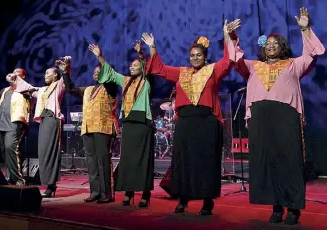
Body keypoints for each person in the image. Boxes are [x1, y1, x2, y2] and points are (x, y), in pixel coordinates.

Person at [232, 8, 324, 225]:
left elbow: (312, 54)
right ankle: (276, 206)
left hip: (286, 116)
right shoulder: (254, 67)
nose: (271, 46)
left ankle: (293, 208)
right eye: (268, 44)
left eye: (276, 43)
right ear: (263, 49)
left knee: (289, 162)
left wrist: (305, 28)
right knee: (268, 162)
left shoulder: (294, 64)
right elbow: (236, 59)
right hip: (261, 118)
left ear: (282, 47)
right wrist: (232, 37)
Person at [142, 19, 240, 215]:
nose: (195, 58)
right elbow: (159, 68)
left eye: (199, 55)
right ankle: (183, 199)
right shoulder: (182, 73)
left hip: (206, 121)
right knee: (183, 161)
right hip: (185, 122)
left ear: (205, 56)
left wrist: (228, 36)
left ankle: (207, 201)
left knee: (206, 162)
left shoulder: (212, 70)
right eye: (192, 55)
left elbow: (229, 60)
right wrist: (152, 47)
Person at [88, 42, 154, 208]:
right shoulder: (125, 81)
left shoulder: (146, 82)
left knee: (143, 160)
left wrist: (141, 54)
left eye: (136, 65)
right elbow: (109, 71)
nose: (132, 67)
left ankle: (145, 194)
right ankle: (129, 192)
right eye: (131, 65)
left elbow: (149, 67)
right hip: (129, 124)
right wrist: (99, 56)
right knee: (128, 160)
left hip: (142, 124)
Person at [63, 64, 118, 203]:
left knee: (103, 160)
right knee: (91, 161)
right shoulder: (87, 89)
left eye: (99, 72)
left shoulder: (110, 88)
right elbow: (71, 89)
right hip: (88, 128)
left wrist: (105, 71)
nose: (96, 73)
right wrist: (65, 72)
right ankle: (95, 191)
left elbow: (110, 83)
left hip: (103, 127)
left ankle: (107, 193)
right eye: (94, 72)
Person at [0, 68, 35, 185]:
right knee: (4, 151)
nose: (14, 74)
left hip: (15, 123)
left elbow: (32, 92)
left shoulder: (25, 88)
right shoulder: (6, 90)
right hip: (2, 124)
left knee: (11, 148)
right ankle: (10, 177)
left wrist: (17, 81)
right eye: (13, 72)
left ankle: (19, 178)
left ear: (23, 76)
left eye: (17, 73)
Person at [32, 57, 69, 198]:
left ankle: (51, 186)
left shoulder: (59, 85)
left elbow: (66, 79)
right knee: (42, 152)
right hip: (43, 120)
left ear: (55, 75)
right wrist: (15, 79)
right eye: (45, 73)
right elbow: (28, 89)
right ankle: (48, 185)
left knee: (51, 151)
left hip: (53, 119)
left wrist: (65, 67)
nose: (45, 75)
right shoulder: (42, 90)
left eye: (48, 73)